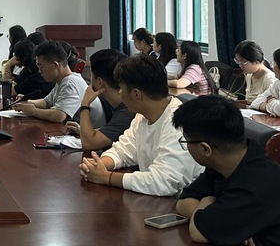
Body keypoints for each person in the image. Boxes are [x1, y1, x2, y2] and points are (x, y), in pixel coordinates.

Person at [79, 54, 203, 196]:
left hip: (177, 203)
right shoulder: (142, 116)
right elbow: (124, 150)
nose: (119, 93)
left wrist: (106, 177)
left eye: (121, 88)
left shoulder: (177, 123)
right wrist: (99, 165)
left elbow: (163, 181)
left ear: (136, 94)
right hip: (153, 200)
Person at [174, 95, 280, 245]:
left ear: (205, 149)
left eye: (186, 142)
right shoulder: (224, 164)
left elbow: (199, 232)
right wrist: (215, 218)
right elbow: (183, 202)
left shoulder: (258, 184)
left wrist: (207, 202)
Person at [14, 41, 105, 125]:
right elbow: (46, 102)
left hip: (89, 135)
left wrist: (32, 111)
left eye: (41, 67)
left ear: (55, 65)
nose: (39, 71)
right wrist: (27, 102)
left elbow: (59, 115)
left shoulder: (70, 83)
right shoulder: (62, 81)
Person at [65, 49, 135, 152]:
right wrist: (83, 131)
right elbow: (114, 130)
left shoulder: (127, 111)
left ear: (99, 82)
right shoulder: (120, 104)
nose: (90, 80)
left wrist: (85, 104)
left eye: (91, 75)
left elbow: (88, 144)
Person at [249, 48, 280, 116]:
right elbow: (255, 102)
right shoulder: (277, 83)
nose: (272, 67)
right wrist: (268, 106)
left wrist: (271, 101)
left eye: (274, 63)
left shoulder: (270, 78)